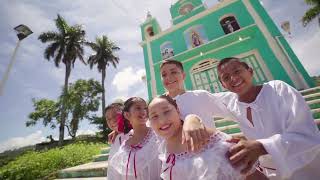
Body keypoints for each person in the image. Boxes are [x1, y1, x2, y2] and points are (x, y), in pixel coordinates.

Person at [217, 57, 320, 180]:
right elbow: (200, 98)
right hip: (272, 175)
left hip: (307, 169)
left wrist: (262, 146)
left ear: (250, 71)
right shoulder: (232, 104)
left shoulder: (278, 90)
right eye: (226, 78)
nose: (233, 78)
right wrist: (192, 119)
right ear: (223, 85)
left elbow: (306, 133)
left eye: (237, 71)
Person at [148, 95, 246, 180]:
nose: (162, 121)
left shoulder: (199, 134)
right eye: (154, 116)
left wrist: (191, 117)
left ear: (177, 110)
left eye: (166, 111)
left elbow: (246, 171)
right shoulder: (163, 149)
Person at [160, 59, 232, 151]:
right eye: (164, 75)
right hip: (178, 161)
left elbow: (232, 110)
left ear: (183, 75)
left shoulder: (201, 96)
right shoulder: (159, 105)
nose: (168, 77)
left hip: (209, 154)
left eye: (173, 72)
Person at [107, 97, 161, 180]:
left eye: (145, 108)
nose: (143, 111)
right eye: (138, 108)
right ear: (127, 115)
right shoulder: (122, 145)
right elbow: (114, 173)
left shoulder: (157, 135)